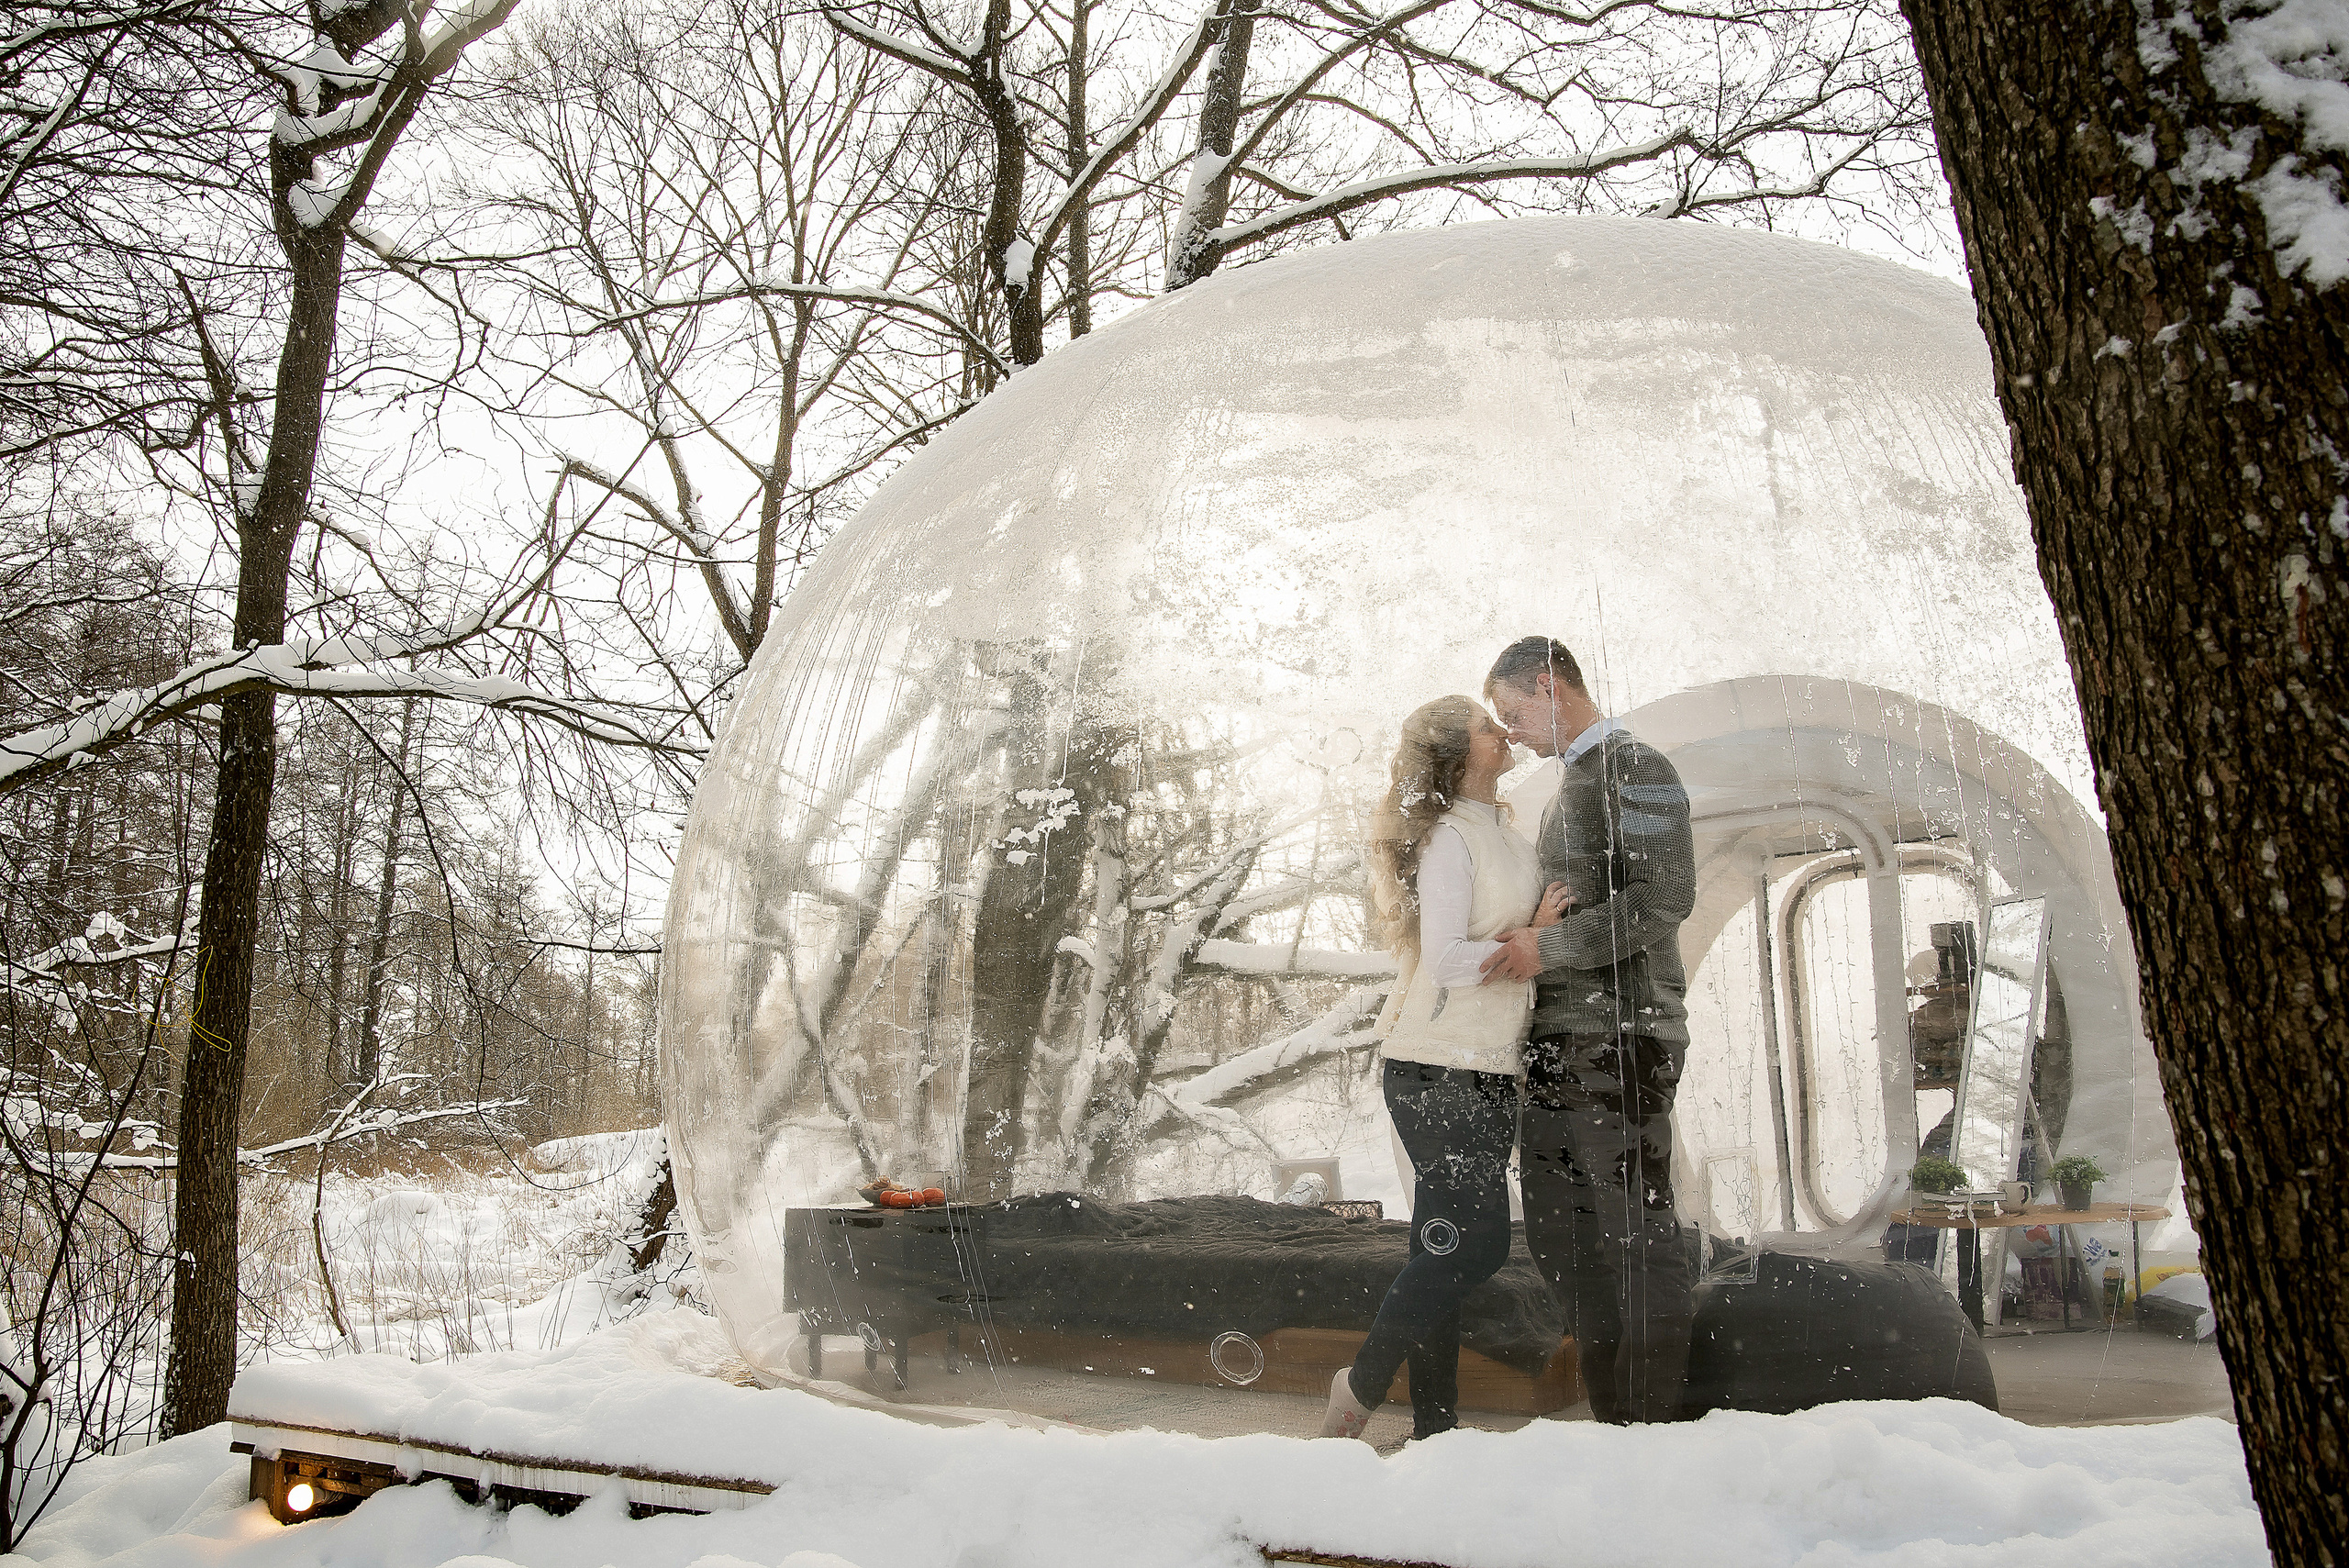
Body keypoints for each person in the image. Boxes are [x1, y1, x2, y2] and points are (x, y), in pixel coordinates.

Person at [1320, 695, 1568, 1441]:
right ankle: (1359, 1387)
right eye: (1489, 728)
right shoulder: (1449, 841)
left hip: (1485, 1068)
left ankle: (1436, 1427)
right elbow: (1449, 959)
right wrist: (1534, 938)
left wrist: (1540, 938)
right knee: (1480, 1242)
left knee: (1440, 1243)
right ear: (1462, 757)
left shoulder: (1510, 836)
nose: (1503, 731)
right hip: (1433, 1067)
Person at [1480, 636, 1698, 1425]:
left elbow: (1667, 895)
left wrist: (1549, 946)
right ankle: (1617, 1423)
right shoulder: (1571, 781)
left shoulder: (1637, 767)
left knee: (1637, 1236)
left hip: (1622, 1038)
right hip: (1555, 1043)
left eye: (1514, 713)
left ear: (1549, 685)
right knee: (1560, 1240)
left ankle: (1650, 1432)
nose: (1511, 733)